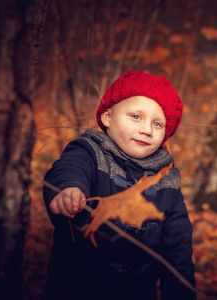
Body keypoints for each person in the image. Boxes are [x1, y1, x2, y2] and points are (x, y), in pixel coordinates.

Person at [42, 70, 196, 300]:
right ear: (108, 118)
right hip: (75, 290)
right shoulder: (89, 151)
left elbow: (178, 248)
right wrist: (70, 189)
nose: (147, 129)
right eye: (136, 116)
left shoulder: (168, 180)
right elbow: (70, 168)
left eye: (157, 123)